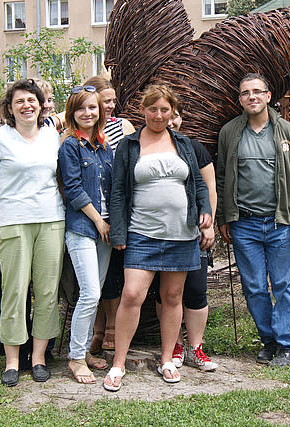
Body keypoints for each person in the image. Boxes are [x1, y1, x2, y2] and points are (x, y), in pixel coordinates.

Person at [103, 84, 212, 391]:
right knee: (132, 295)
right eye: (153, 109)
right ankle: (118, 364)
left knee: (173, 297)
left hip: (182, 234)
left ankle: (167, 359)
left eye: (165, 110)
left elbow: (199, 184)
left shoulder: (183, 144)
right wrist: (120, 232)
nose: (159, 115)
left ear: (172, 112)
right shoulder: (129, 145)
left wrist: (204, 211)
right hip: (142, 233)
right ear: (143, 110)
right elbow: (118, 191)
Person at [216, 74, 290, 367]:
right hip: (244, 224)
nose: (252, 97)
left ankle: (289, 346)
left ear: (269, 96)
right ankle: (270, 341)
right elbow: (222, 177)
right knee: (254, 286)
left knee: (284, 285)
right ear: (240, 100)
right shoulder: (230, 133)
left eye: (257, 92)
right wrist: (224, 216)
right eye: (245, 93)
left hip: (280, 222)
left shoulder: (288, 133)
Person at [0, 78, 66, 387]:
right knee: (13, 291)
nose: (27, 106)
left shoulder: (52, 136)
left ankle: (39, 356)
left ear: (42, 104)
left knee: (46, 291)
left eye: (32, 100)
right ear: (10, 108)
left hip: (51, 220)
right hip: (13, 221)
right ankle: (12, 359)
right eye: (20, 101)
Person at [57, 85, 113, 383]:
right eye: (81, 108)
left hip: (104, 230)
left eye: (92, 107)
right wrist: (99, 221)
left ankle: (85, 351)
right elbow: (74, 189)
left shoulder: (104, 146)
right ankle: (76, 357)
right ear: (72, 113)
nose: (87, 113)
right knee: (90, 292)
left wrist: (112, 223)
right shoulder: (70, 145)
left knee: (95, 293)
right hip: (82, 228)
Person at [154, 106, 218, 371]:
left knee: (195, 289)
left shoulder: (194, 148)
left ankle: (196, 347)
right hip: (160, 233)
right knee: (167, 292)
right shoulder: (148, 146)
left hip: (193, 231)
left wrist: (209, 223)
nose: (172, 120)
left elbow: (209, 187)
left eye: (177, 114)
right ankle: (174, 345)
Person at [83, 75, 135, 355]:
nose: (112, 106)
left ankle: (112, 328)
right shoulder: (82, 130)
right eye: (106, 101)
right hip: (91, 209)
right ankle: (97, 329)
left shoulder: (123, 126)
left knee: (114, 271)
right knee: (93, 277)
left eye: (114, 100)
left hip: (117, 206)